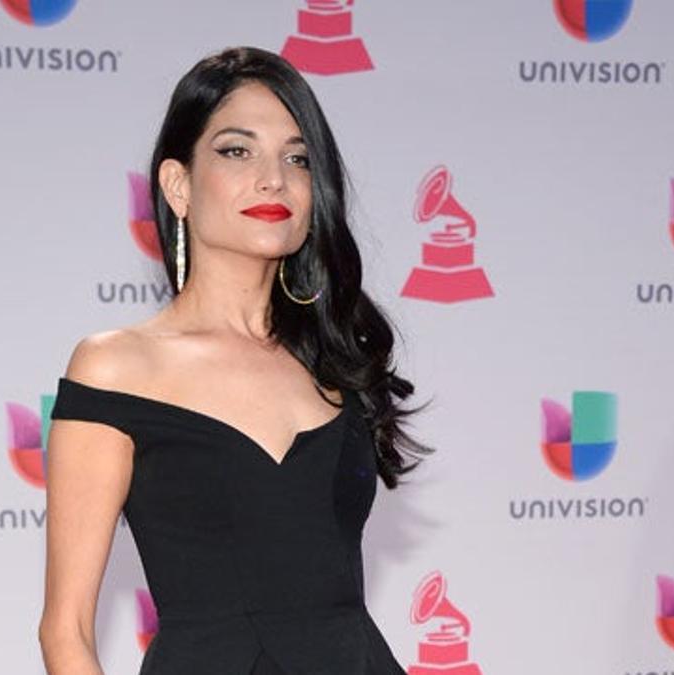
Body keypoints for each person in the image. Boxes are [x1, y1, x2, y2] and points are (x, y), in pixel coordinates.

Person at [38, 46, 432, 675]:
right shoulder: (115, 368)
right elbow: (66, 631)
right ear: (177, 185)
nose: (273, 178)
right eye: (236, 150)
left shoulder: (337, 362)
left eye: (297, 158)